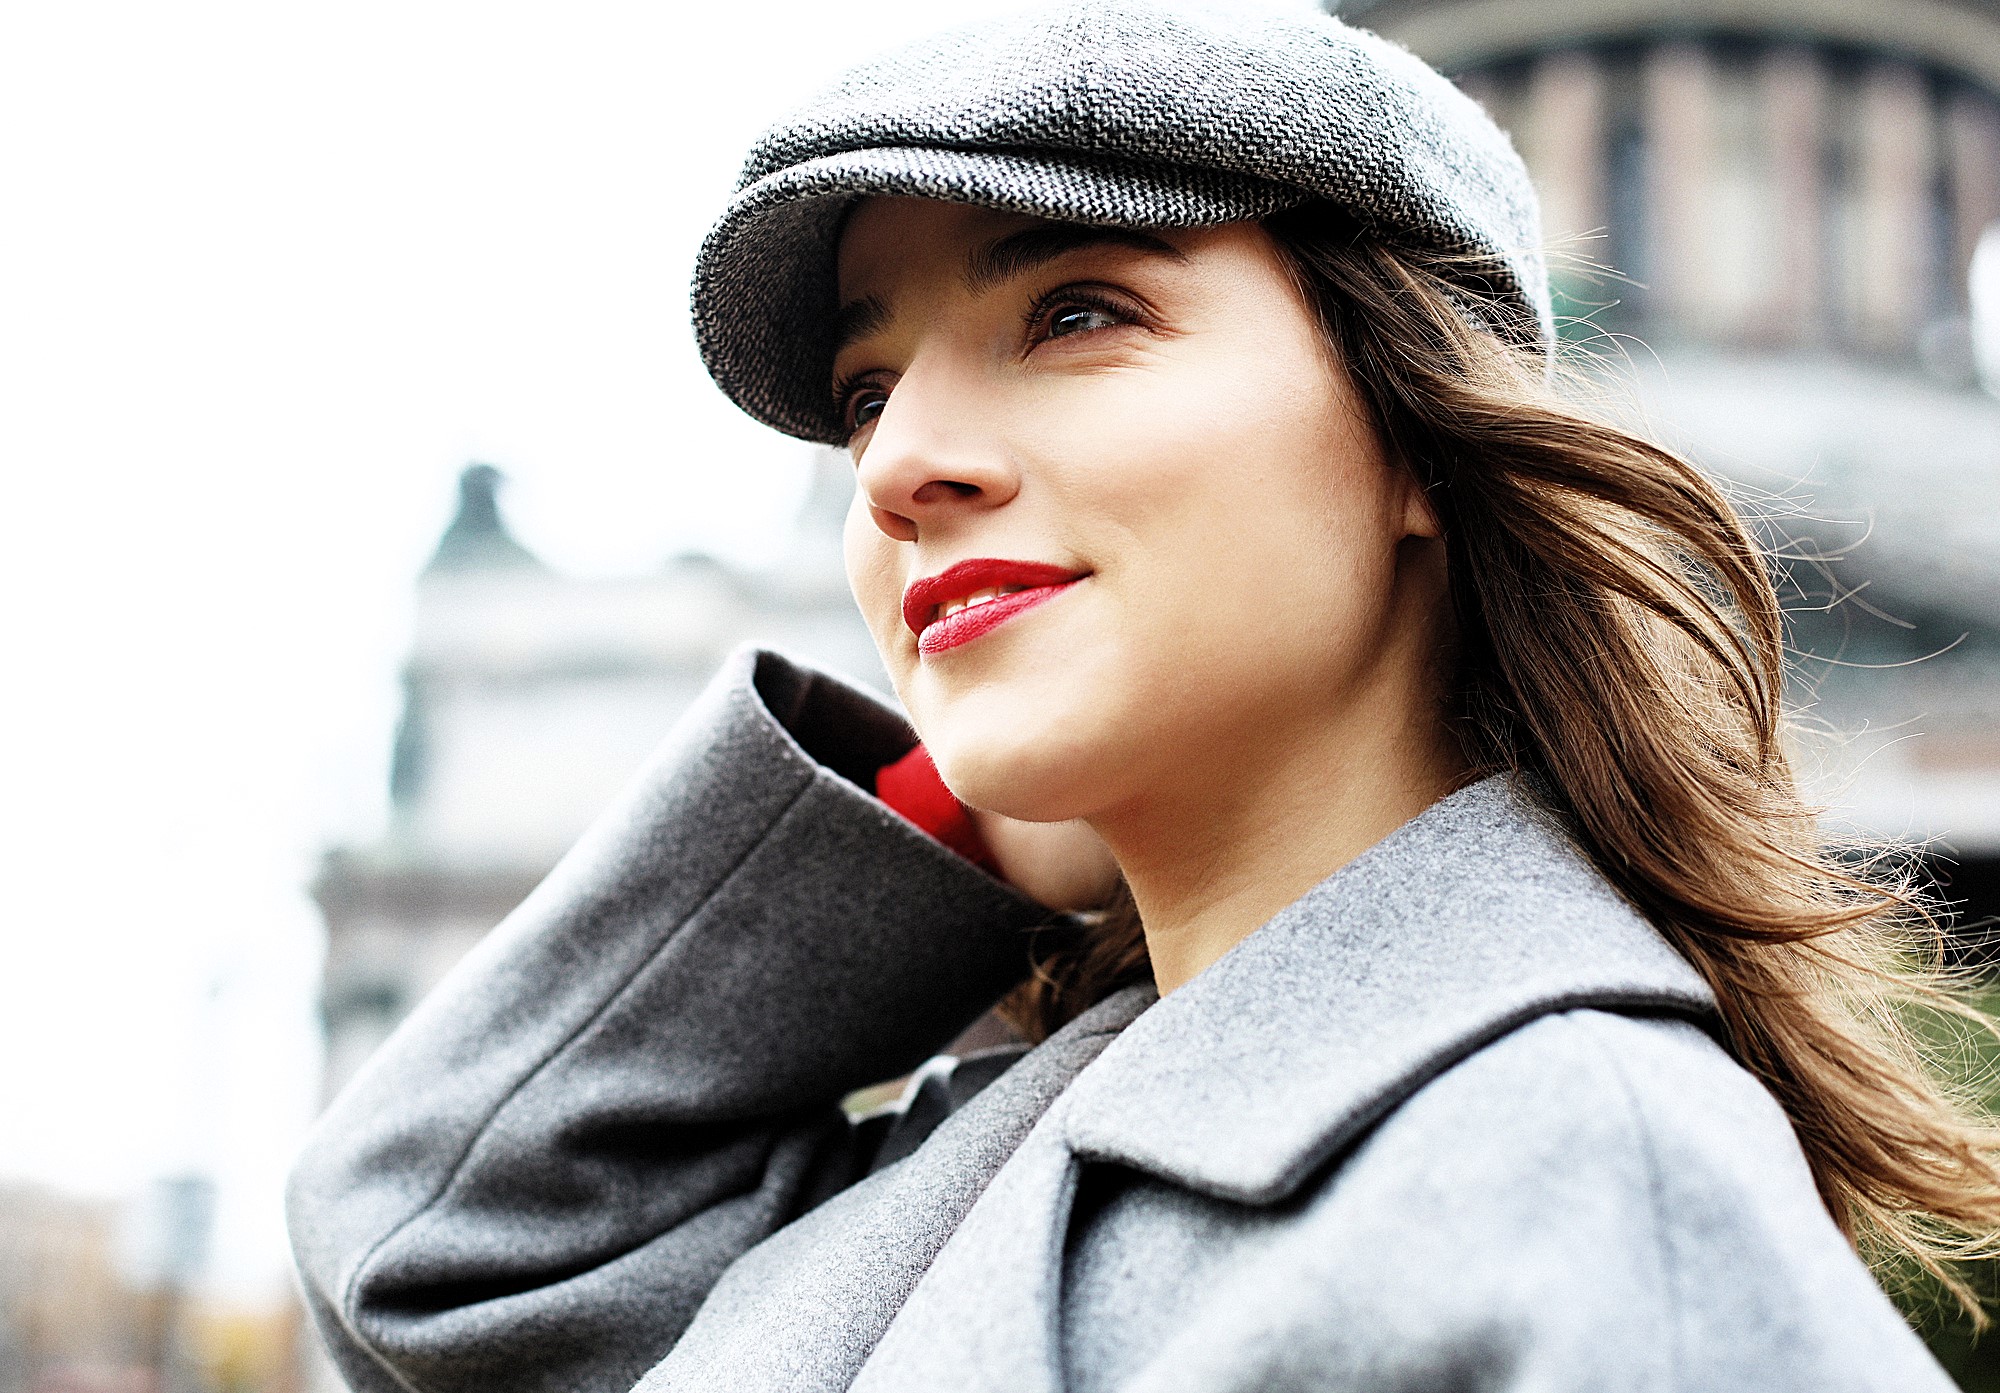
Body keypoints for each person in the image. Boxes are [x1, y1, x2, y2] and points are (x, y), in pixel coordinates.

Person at [286, 3, 2000, 1389]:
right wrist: (964, 824)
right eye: (867, 382)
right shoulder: (1039, 1129)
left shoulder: (1596, 1209)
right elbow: (434, 1267)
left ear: (1417, 433)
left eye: (1079, 309)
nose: (894, 468)